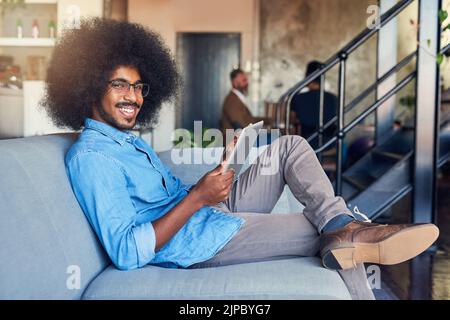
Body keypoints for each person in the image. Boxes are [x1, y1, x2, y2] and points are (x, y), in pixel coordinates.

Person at [42, 18, 439, 300]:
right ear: (89, 86)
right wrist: (197, 197)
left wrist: (207, 190)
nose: (134, 96)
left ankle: (342, 222)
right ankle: (348, 231)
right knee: (335, 241)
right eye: (119, 85)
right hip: (195, 244)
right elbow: (128, 252)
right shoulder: (92, 158)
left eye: (139, 86)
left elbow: (164, 198)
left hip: (207, 213)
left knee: (290, 147)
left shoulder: (129, 143)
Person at [291, 61, 338, 148]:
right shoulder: (333, 98)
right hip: (331, 143)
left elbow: (292, 120)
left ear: (307, 77)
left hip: (307, 143)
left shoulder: (297, 98)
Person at [221, 68, 270, 133]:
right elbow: (240, 123)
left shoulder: (237, 98)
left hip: (243, 138)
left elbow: (248, 119)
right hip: (235, 141)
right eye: (244, 80)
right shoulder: (232, 101)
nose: (247, 83)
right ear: (235, 83)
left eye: (246, 80)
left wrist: (268, 120)